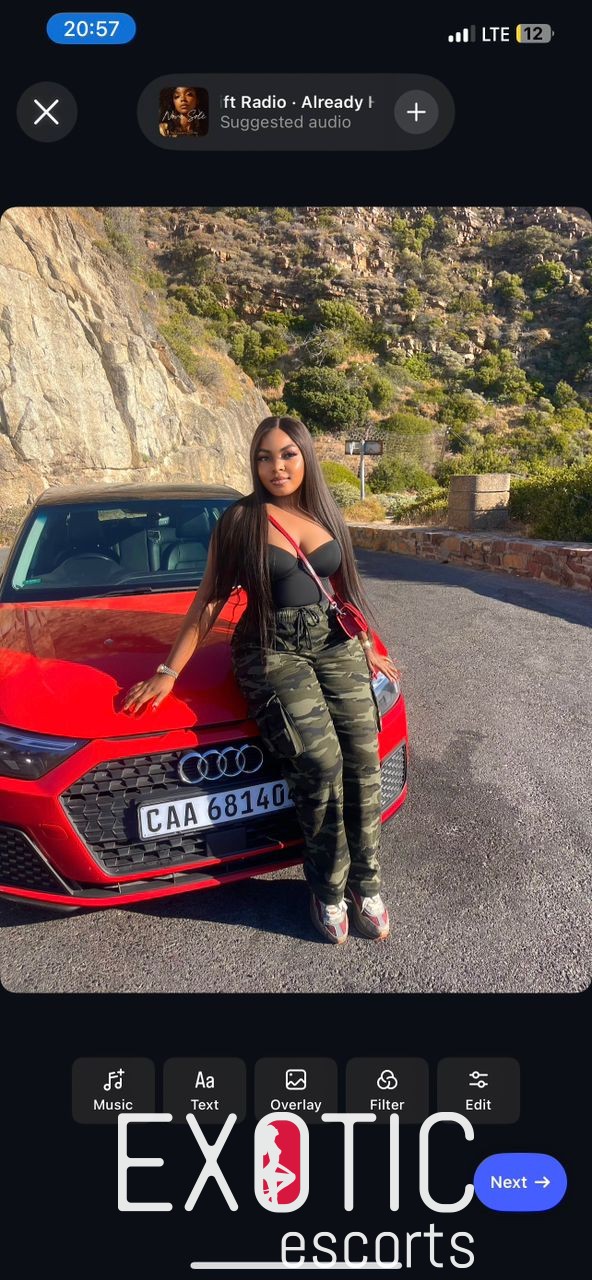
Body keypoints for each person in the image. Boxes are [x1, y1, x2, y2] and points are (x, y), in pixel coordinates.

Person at [123, 416, 400, 944]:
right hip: (272, 647)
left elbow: (341, 589)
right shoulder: (240, 521)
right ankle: (328, 888)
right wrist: (168, 671)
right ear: (253, 464)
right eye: (265, 457)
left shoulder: (325, 511)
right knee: (320, 763)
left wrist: (366, 645)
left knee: (364, 760)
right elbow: (209, 599)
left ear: (306, 456)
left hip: (333, 644)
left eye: (288, 454)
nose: (277, 467)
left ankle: (367, 884)